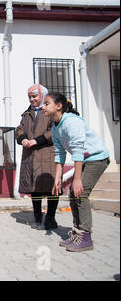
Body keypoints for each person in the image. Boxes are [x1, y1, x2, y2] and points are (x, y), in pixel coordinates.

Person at [43, 93, 110, 252]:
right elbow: (59, 152)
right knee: (73, 193)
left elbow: (78, 150)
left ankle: (86, 237)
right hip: (85, 160)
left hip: (97, 158)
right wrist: (58, 177)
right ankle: (77, 232)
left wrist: (77, 178)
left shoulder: (71, 121)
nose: (43, 107)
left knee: (80, 192)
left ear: (58, 106)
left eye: (46, 103)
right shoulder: (55, 127)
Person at [15, 84, 58, 230]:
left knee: (51, 187)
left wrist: (37, 140)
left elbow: (54, 131)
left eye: (35, 96)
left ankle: (51, 219)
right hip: (31, 155)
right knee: (35, 189)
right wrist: (23, 139)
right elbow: (19, 130)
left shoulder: (50, 113)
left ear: (43, 96)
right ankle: (38, 218)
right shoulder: (26, 114)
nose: (32, 99)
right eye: (30, 97)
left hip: (47, 154)